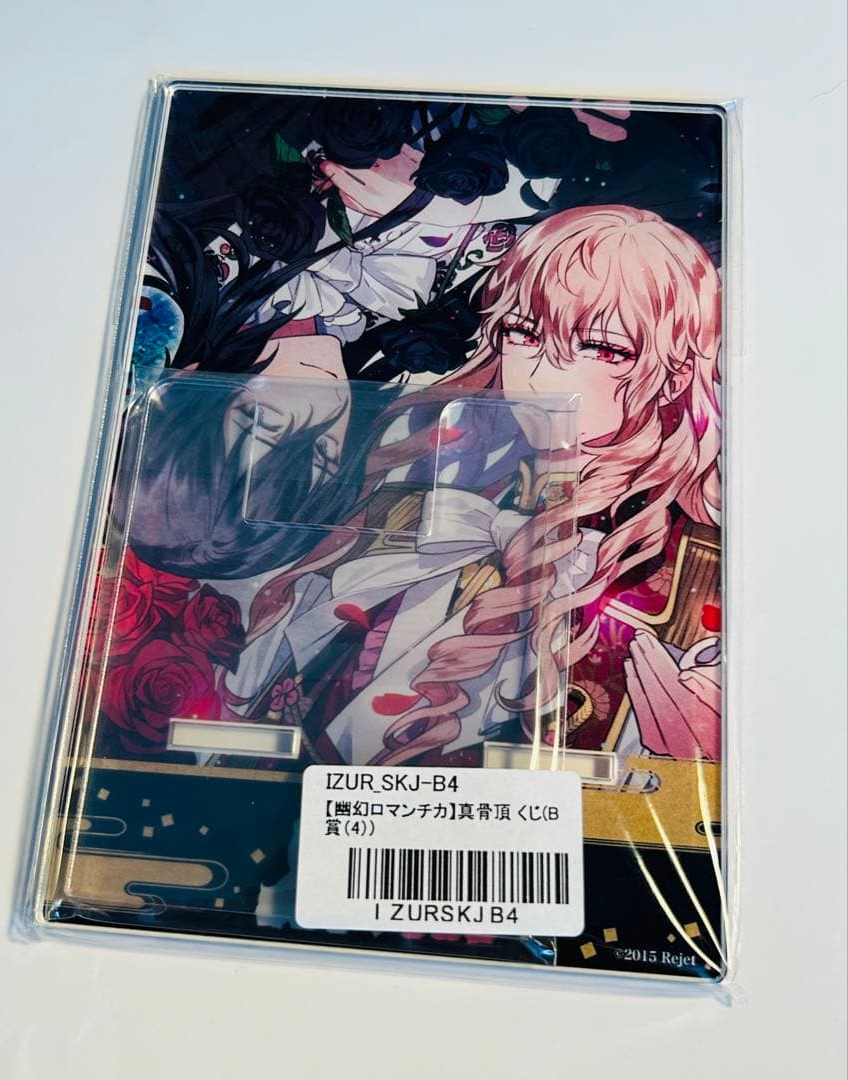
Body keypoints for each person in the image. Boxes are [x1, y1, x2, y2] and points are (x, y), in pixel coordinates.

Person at [227, 205, 723, 766]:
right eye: (523, 333)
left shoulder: (681, 564)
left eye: (602, 348)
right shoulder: (429, 459)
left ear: (675, 373)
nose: (540, 374)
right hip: (309, 779)